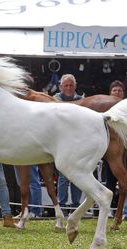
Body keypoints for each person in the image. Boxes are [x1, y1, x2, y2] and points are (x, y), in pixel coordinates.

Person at [53, 74, 83, 213]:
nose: (69, 88)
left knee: (77, 175)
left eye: (71, 85)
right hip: (61, 143)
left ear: (75, 86)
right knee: (63, 176)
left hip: (78, 142)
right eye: (66, 85)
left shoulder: (82, 99)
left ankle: (76, 206)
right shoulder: (54, 100)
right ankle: (63, 206)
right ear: (60, 87)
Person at [104, 80, 125, 213]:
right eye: (114, 90)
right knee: (110, 180)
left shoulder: (126, 109)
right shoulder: (105, 109)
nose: (117, 92)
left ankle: (124, 209)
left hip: (125, 149)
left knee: (125, 180)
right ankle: (110, 209)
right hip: (110, 149)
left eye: (119, 90)